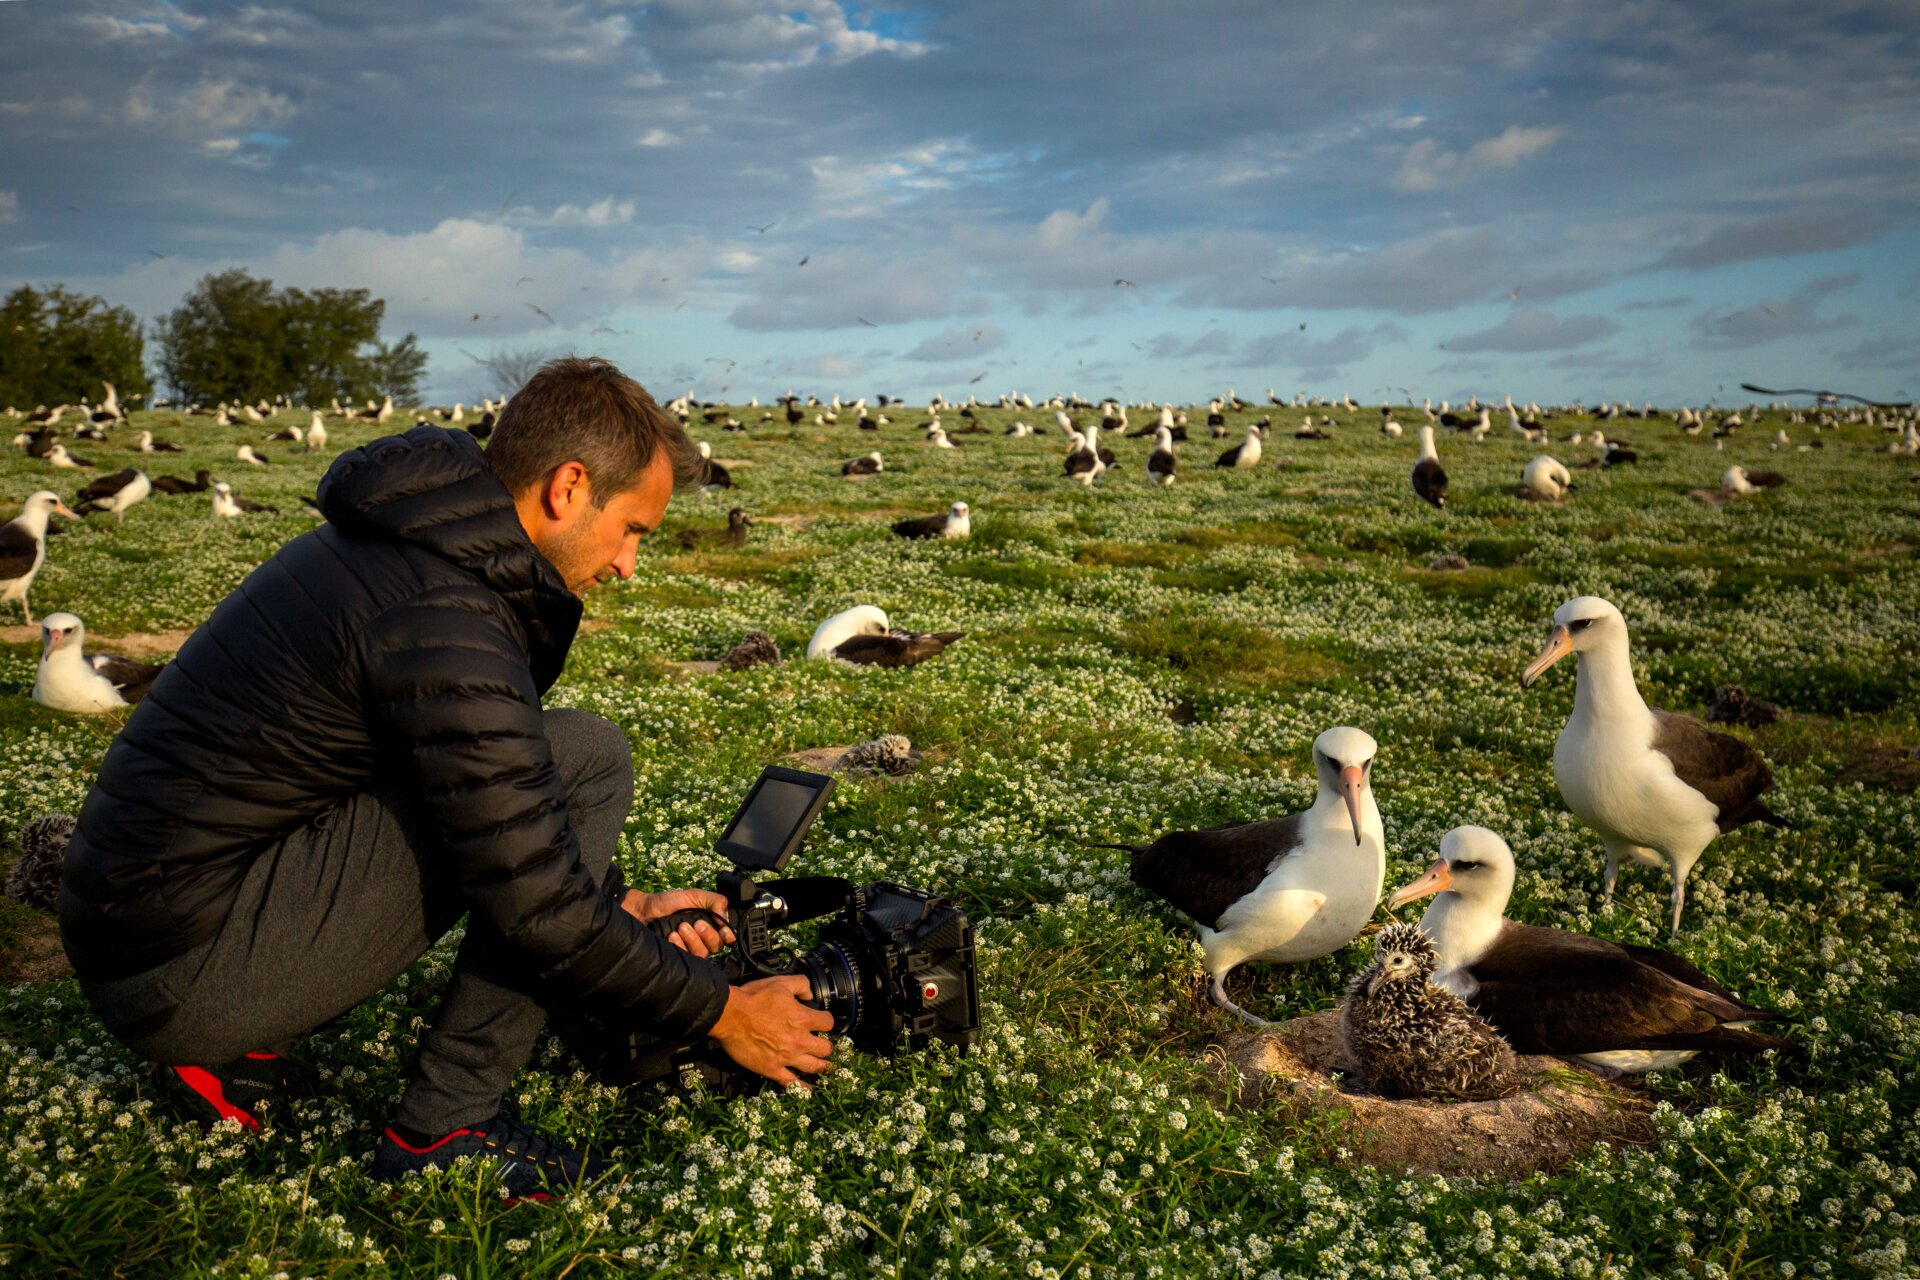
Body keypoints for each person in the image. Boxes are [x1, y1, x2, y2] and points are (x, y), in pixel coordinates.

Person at [57, 357, 834, 1199]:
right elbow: (534, 905)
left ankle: (230, 1045)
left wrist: (615, 902)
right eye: (635, 530)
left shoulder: (413, 548)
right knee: (585, 758)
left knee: (553, 785)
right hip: (179, 969)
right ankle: (446, 1129)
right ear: (569, 487)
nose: (628, 567)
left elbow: (466, 792)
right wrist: (724, 1012)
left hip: (150, 926)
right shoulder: (445, 612)